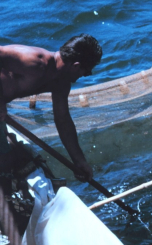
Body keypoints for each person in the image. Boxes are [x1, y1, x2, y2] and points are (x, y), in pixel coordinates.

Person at [0, 34, 102, 182]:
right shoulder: (34, 61)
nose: (85, 76)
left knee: (10, 160)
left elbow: (63, 121)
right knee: (5, 160)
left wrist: (79, 161)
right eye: (87, 72)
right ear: (76, 66)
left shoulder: (61, 84)